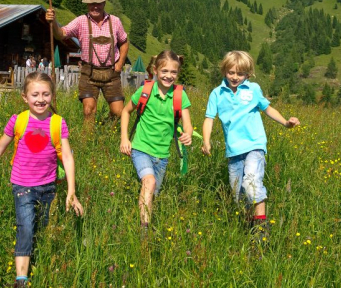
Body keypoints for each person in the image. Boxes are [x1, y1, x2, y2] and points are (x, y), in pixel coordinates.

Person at [0, 72, 83, 287]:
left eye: (46, 94)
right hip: (22, 186)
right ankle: (21, 279)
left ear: (52, 96)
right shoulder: (18, 121)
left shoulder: (58, 123)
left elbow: (68, 157)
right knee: (26, 227)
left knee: (41, 227)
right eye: (35, 94)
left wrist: (71, 191)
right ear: (25, 97)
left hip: (48, 187)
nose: (40, 99)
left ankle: (38, 259)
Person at [201, 51, 299, 241]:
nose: (235, 77)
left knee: (252, 184)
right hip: (233, 151)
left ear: (248, 74)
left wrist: (286, 123)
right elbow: (209, 119)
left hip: (255, 145)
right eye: (231, 72)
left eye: (240, 73)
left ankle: (262, 232)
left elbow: (267, 108)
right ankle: (250, 229)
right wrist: (206, 141)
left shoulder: (253, 89)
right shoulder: (217, 93)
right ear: (224, 71)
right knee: (239, 196)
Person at [120, 50, 192, 233]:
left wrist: (187, 135)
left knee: (152, 192)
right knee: (149, 182)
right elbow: (125, 111)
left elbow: (188, 125)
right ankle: (144, 231)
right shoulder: (145, 91)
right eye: (164, 71)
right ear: (155, 70)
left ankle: (147, 223)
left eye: (173, 72)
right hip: (140, 148)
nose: (169, 76)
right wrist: (124, 139)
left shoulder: (180, 96)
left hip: (163, 155)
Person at [45, 0, 129, 124]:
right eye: (91, 4)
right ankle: (87, 141)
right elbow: (61, 34)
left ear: (104, 3)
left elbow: (124, 42)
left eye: (98, 3)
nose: (95, 7)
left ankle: (104, 126)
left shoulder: (115, 22)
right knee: (89, 110)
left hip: (111, 73)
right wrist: (53, 22)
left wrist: (120, 64)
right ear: (87, 5)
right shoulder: (80, 21)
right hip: (88, 72)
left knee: (119, 112)